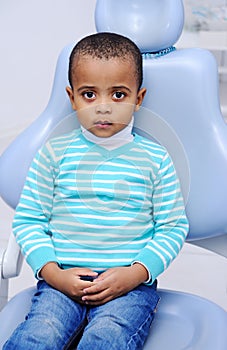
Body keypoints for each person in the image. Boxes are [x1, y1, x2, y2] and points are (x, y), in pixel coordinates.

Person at [4, 32, 189, 350]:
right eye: (89, 94)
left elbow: (173, 228)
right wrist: (54, 274)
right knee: (39, 336)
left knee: (106, 338)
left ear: (138, 98)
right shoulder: (54, 154)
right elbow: (28, 222)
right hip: (61, 282)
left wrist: (135, 273)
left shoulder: (156, 160)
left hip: (129, 286)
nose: (103, 107)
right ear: (72, 97)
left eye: (118, 95)